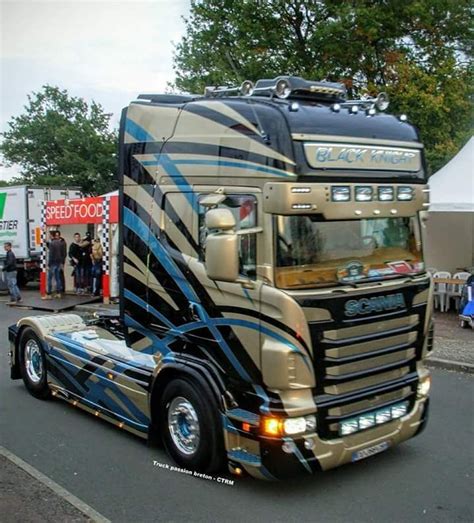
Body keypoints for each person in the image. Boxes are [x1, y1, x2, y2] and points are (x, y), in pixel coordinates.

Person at [43, 229, 67, 299]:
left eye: (49, 235)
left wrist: (48, 264)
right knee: (58, 278)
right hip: (58, 262)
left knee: (50, 278)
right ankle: (58, 293)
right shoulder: (60, 243)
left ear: (51, 235)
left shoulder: (52, 244)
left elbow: (51, 255)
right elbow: (63, 253)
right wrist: (62, 262)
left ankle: (49, 294)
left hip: (53, 262)